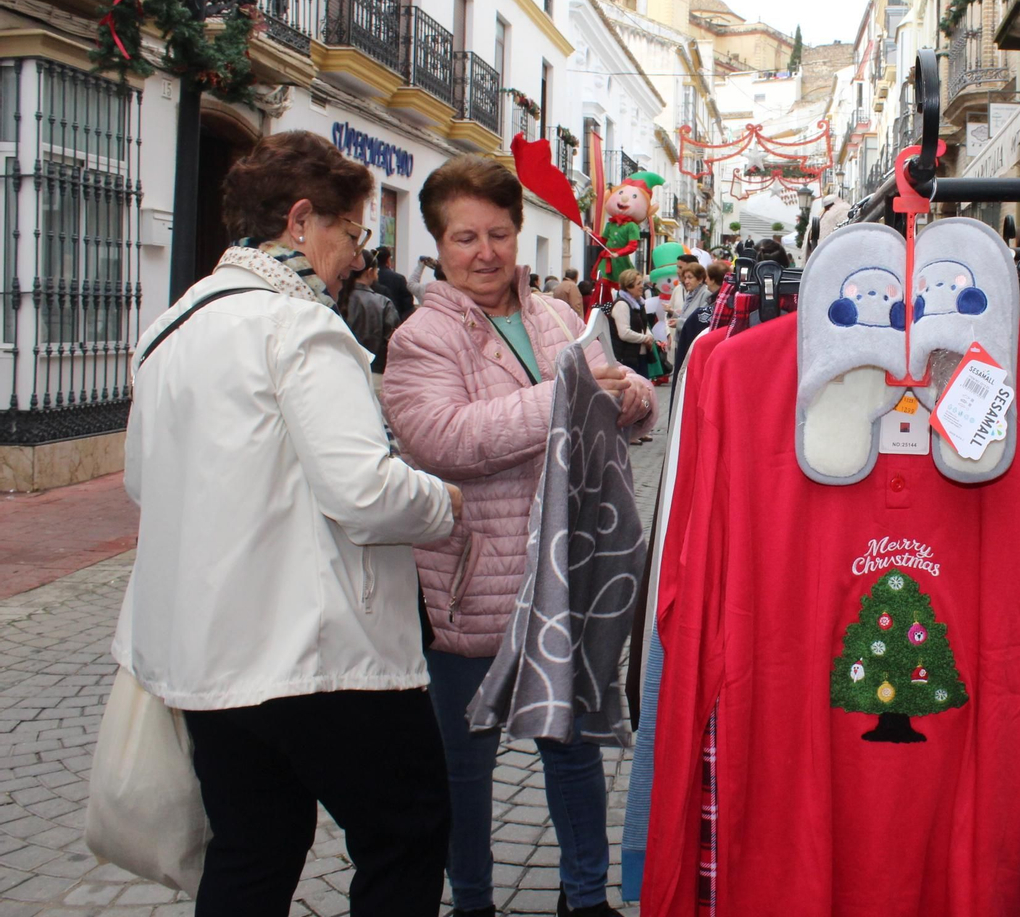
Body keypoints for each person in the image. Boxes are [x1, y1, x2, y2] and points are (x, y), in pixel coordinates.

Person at [113, 131, 464, 917]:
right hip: (316, 654)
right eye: (351, 233)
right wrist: (445, 502)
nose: (355, 257)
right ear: (302, 221)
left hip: (209, 661)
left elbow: (145, 480)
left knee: (252, 849)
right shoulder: (298, 325)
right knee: (406, 831)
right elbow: (365, 491)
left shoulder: (170, 329)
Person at [382, 157, 654, 917]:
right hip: (473, 594)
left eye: (499, 233)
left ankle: (584, 897)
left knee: (572, 752)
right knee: (464, 772)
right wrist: (565, 393)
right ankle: (471, 900)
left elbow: (613, 391)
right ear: (438, 242)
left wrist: (630, 397)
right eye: (466, 236)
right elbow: (445, 439)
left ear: (518, 235)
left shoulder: (555, 319)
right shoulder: (421, 338)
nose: (486, 252)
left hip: (565, 581)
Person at [345, 248, 400, 380]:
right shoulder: (383, 303)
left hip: (343, 369)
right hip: (376, 371)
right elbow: (394, 341)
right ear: (369, 272)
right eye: (376, 271)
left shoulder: (340, 299)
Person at [608, 268, 655, 380]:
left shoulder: (639, 304)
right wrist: (645, 338)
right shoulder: (622, 305)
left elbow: (644, 326)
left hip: (639, 356)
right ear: (629, 287)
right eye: (638, 284)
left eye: (642, 283)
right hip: (627, 358)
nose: (642, 286)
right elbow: (624, 333)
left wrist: (649, 337)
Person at [373, 245, 415, 320]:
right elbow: (408, 306)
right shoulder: (398, 279)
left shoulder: (367, 277)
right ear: (388, 260)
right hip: (395, 321)